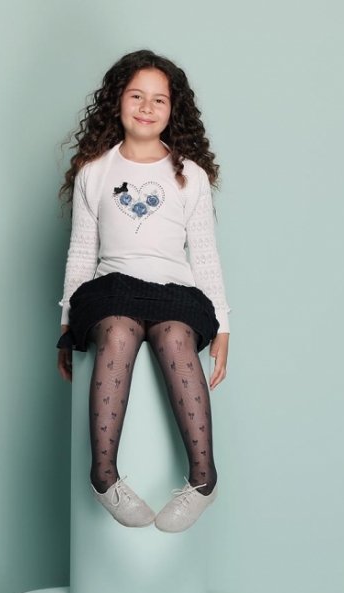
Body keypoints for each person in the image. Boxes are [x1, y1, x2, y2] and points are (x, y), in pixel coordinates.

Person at [56, 49, 231, 533]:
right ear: (117, 102)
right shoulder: (95, 171)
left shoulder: (189, 175)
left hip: (174, 290)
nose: (146, 107)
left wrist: (223, 324)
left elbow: (205, 255)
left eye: (159, 99)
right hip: (111, 288)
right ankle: (104, 476)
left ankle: (204, 480)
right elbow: (80, 253)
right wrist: (66, 324)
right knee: (117, 331)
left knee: (174, 336)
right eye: (136, 96)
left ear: (173, 109)